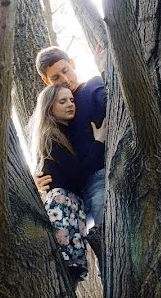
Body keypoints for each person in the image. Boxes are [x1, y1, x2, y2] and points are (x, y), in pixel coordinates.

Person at [28, 84, 106, 282]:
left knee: (71, 271)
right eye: (62, 101)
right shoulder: (51, 137)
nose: (70, 104)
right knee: (65, 271)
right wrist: (99, 142)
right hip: (63, 209)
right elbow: (78, 173)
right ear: (49, 107)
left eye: (71, 100)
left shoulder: (63, 134)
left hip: (72, 209)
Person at [33, 46, 106, 230]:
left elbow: (113, 102)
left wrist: (106, 70)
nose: (65, 80)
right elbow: (54, 156)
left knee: (107, 232)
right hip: (75, 197)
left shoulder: (92, 87)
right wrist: (39, 179)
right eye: (56, 78)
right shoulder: (58, 117)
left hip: (100, 180)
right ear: (46, 81)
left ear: (72, 64)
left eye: (65, 70)